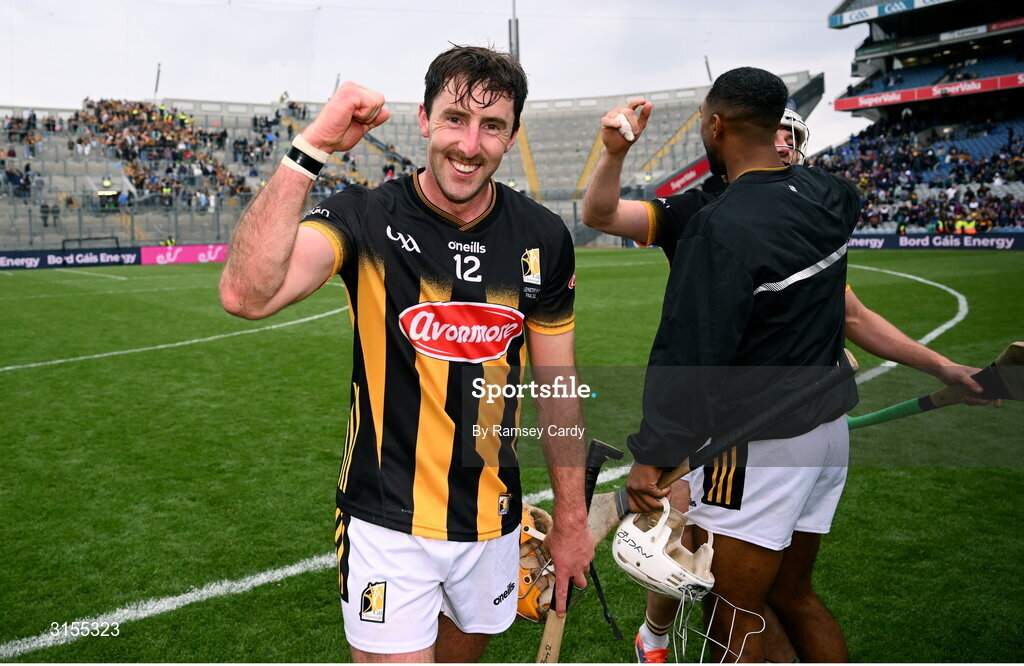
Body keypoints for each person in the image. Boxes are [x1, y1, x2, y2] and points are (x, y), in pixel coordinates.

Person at [584, 93, 994, 663]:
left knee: (734, 606)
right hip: (812, 427)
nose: (784, 146)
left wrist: (656, 448)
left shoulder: (797, 206)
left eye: (792, 137)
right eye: (775, 135)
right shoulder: (717, 209)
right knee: (771, 589)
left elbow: (846, 316)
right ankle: (652, 638)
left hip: (754, 435)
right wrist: (611, 154)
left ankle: (652, 639)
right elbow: (601, 216)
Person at [219, 45, 593, 663]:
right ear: (423, 119)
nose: (469, 145)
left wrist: (573, 522)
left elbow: (559, 388)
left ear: (511, 135)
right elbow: (244, 294)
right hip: (386, 519)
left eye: (491, 126)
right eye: (454, 119)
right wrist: (312, 144)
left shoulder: (543, 237)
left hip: (492, 521)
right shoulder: (362, 217)